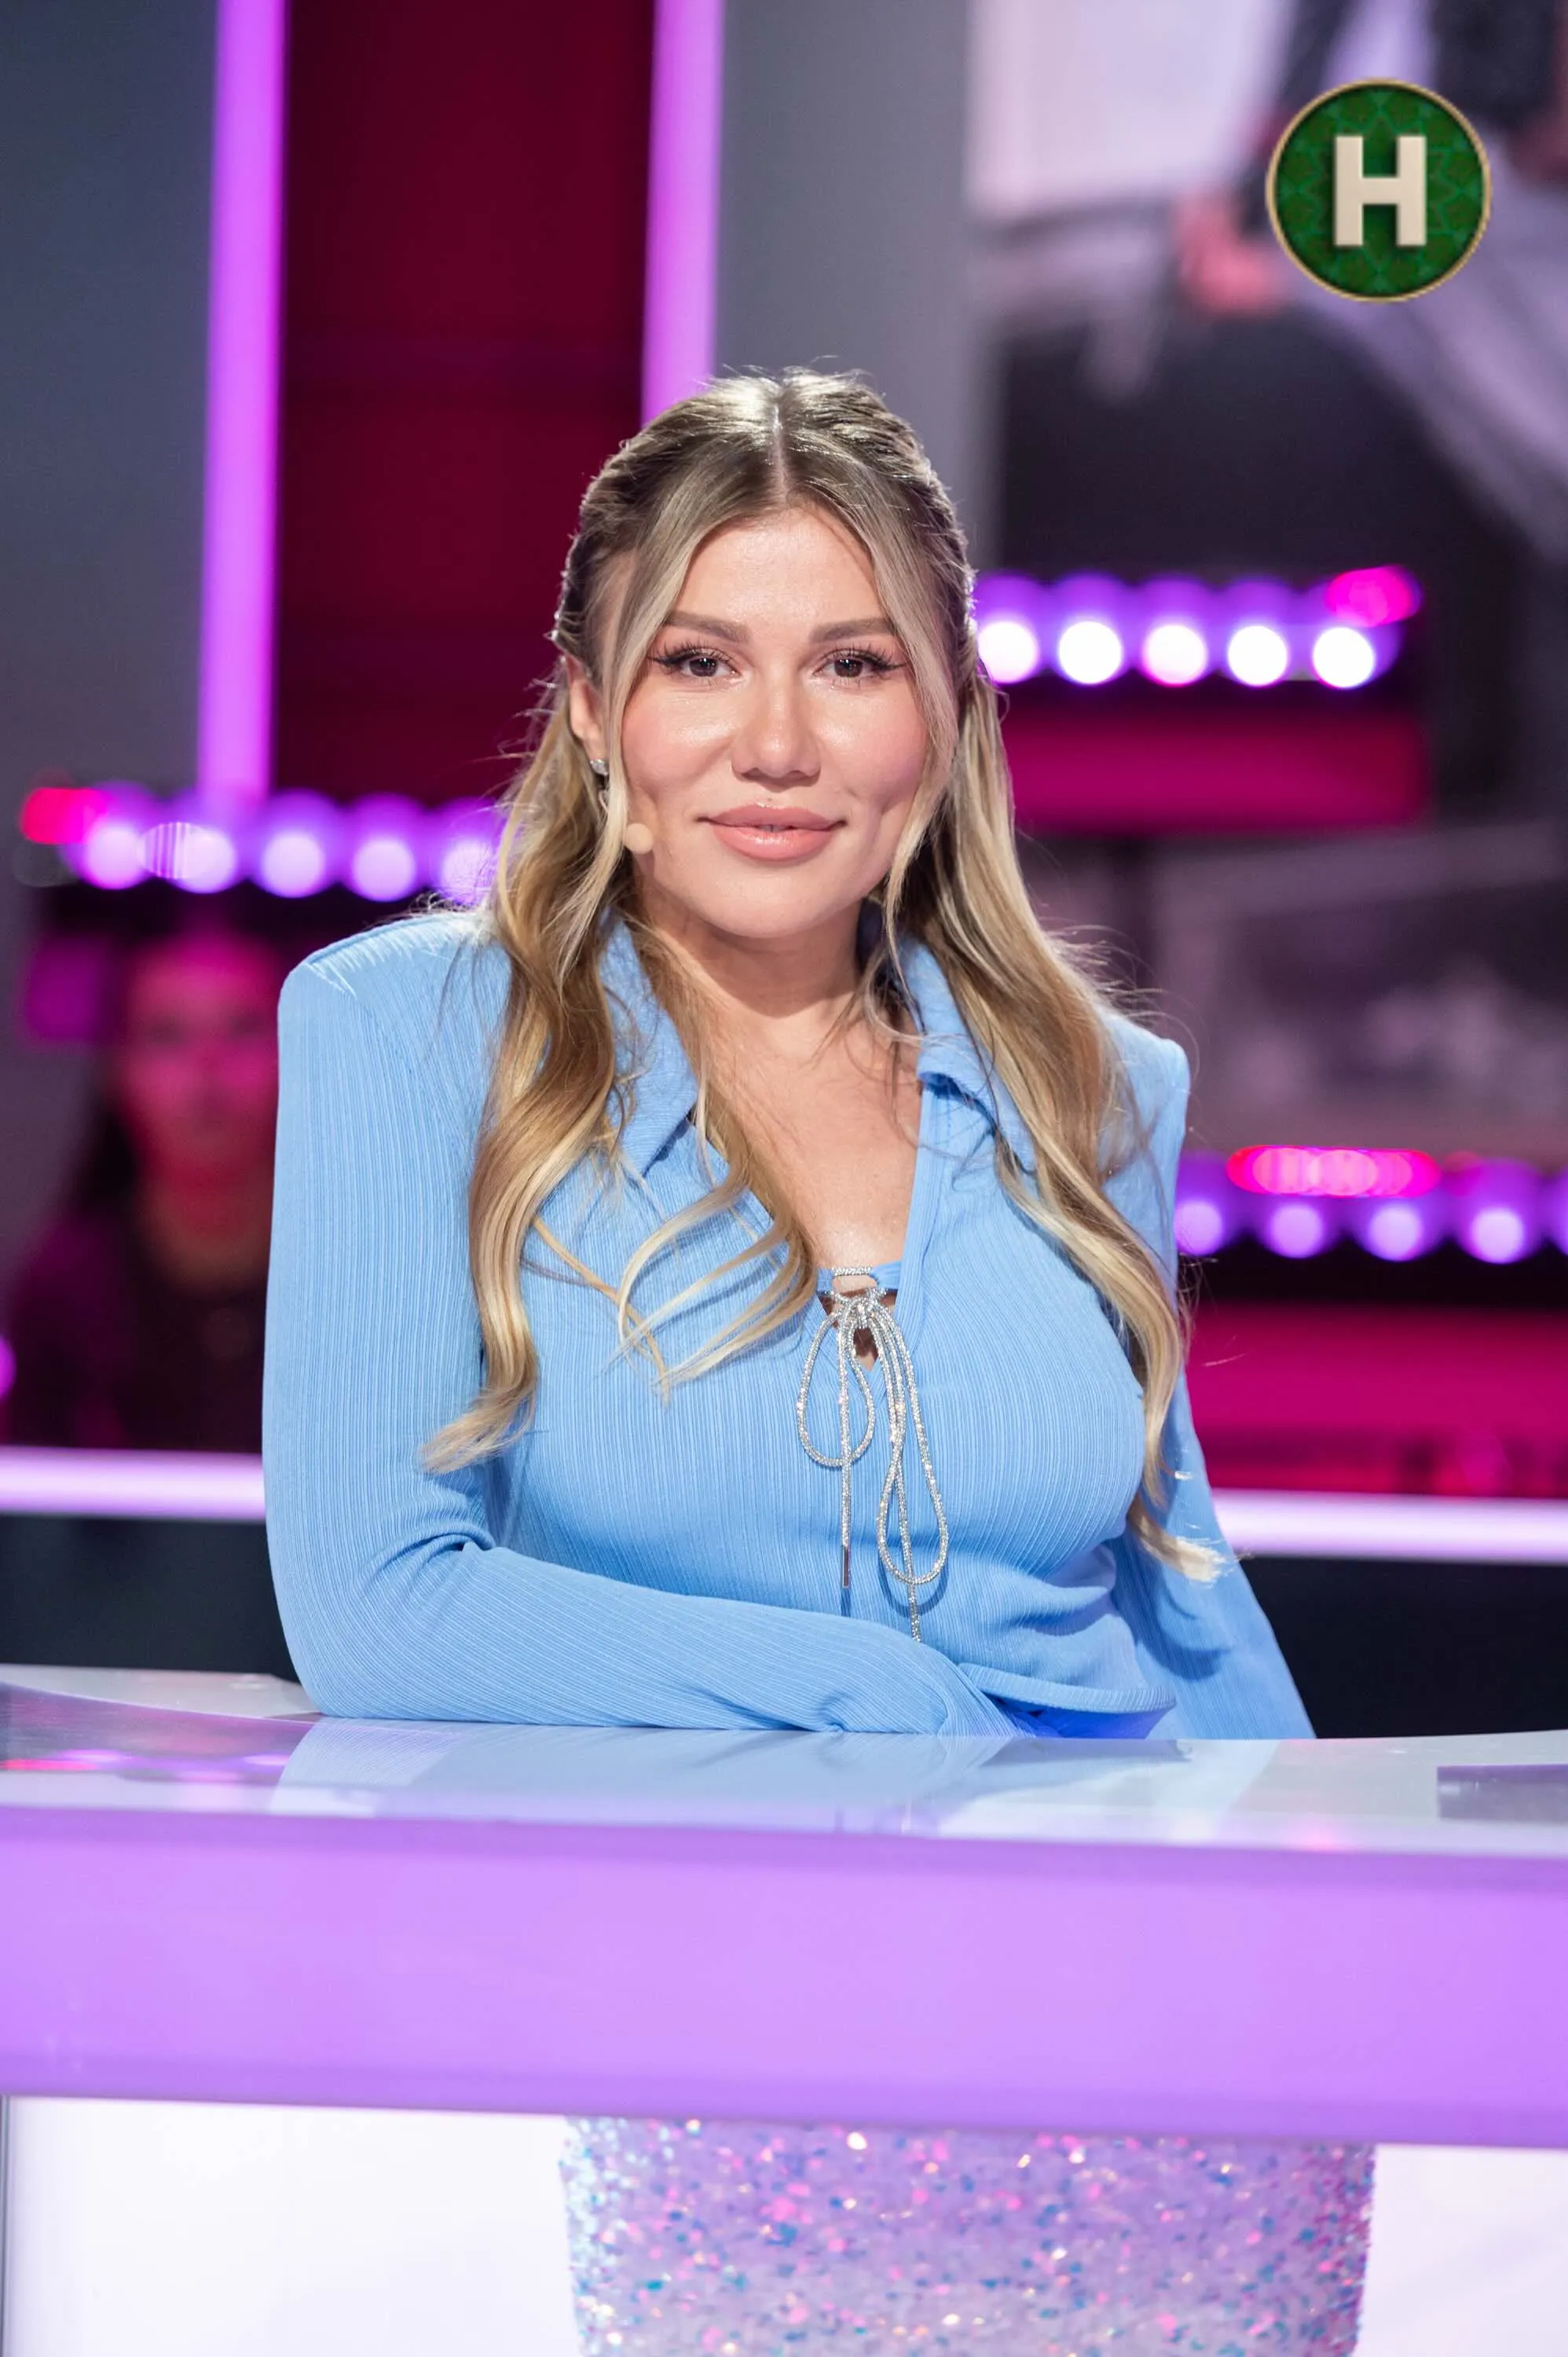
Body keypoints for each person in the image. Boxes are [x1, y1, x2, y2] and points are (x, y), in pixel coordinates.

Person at [266, 375, 1365, 2353]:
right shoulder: (415, 1036)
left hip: (1169, 2069)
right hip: (726, 2060)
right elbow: (376, 1599)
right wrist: (873, 1701)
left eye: (852, 664)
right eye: (699, 660)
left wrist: (1353, 1955)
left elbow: (1181, 1598)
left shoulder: (1096, 1085)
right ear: (593, 711)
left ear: (941, 717)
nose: (776, 743)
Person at [7, 923, 282, 1453]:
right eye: (167, 1035)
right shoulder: (62, 1290)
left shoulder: (364, 1275)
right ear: (116, 1071)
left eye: (243, 1029)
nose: (208, 1066)